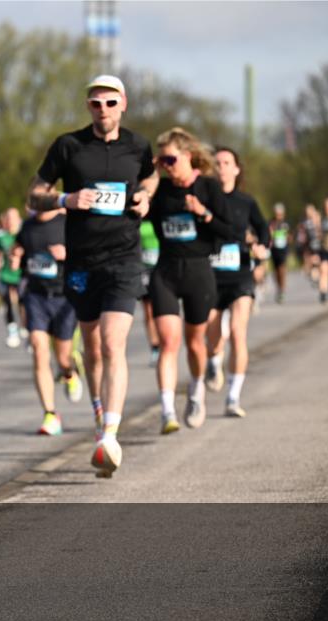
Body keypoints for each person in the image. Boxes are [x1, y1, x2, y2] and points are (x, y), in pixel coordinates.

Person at [26, 74, 158, 478]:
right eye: (96, 103)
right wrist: (66, 198)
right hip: (82, 262)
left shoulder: (138, 146)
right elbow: (33, 195)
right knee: (92, 347)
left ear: (124, 104)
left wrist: (146, 196)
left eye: (110, 103)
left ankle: (109, 435)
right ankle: (100, 418)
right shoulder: (69, 146)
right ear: (88, 107)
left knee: (112, 341)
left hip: (123, 258)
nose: (104, 110)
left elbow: (151, 176)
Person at [148, 128, 235, 434]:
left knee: (194, 343)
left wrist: (204, 214)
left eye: (171, 159)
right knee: (168, 341)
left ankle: (196, 390)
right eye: (161, 161)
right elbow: (140, 216)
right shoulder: (159, 190)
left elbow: (230, 232)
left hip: (199, 272)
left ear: (186, 156)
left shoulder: (209, 188)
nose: (167, 165)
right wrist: (152, 179)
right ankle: (167, 411)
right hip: (166, 272)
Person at [204, 147, 270, 418]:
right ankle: (214, 360)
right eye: (217, 163)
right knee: (212, 337)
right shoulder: (203, 199)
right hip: (210, 275)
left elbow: (263, 230)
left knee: (238, 331)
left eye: (226, 162)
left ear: (236, 169)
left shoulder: (246, 201)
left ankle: (233, 397)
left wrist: (262, 247)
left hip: (240, 273)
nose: (221, 167)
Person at [12, 207, 83, 434]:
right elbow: (21, 257)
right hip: (36, 297)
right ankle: (50, 415)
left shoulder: (68, 222)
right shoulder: (27, 226)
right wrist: (15, 257)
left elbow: (86, 256)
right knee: (39, 348)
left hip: (64, 297)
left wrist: (67, 254)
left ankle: (70, 373)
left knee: (62, 357)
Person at [0, 207, 24, 348]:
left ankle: (26, 328)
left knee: (23, 303)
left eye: (13, 218)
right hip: (5, 274)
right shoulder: (0, 237)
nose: (10, 221)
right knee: (7, 302)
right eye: (8, 218)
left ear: (18, 219)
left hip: (21, 274)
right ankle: (12, 332)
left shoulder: (24, 233)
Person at [138, 218, 161, 366]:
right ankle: (155, 347)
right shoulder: (138, 216)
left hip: (161, 267)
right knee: (148, 311)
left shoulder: (159, 209)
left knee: (161, 310)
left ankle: (166, 341)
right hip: (144, 268)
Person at [269, 202, 291, 303]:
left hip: (283, 249)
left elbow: (291, 236)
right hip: (274, 250)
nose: (279, 216)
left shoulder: (286, 223)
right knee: (276, 271)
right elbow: (268, 235)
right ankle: (279, 288)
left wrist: (288, 237)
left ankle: (282, 290)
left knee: (282, 269)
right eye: (277, 213)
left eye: (280, 214)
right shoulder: (271, 223)